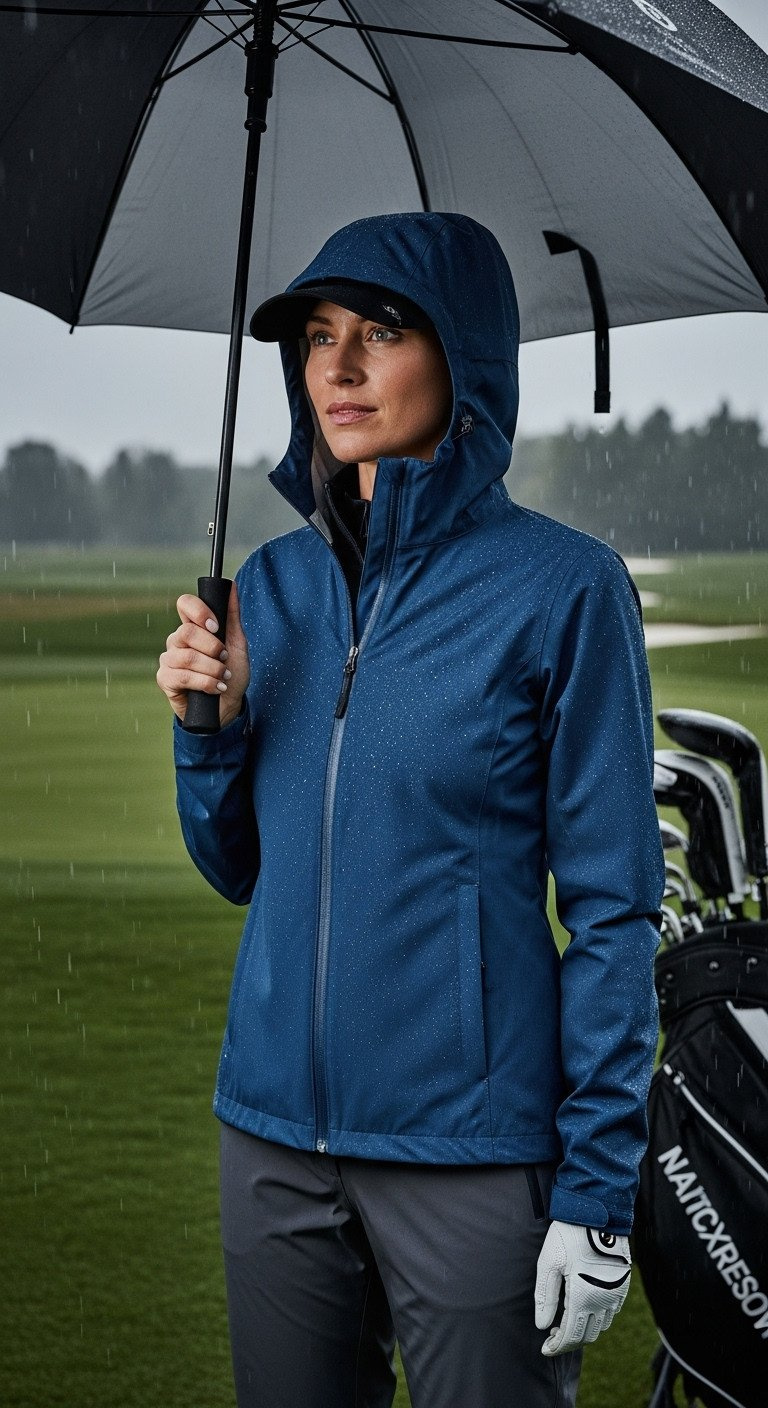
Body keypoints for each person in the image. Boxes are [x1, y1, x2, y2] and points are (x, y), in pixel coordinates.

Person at [156, 211, 665, 1408]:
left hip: (473, 1159)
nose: (335, 367)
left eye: (380, 332)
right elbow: (237, 866)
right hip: (273, 1145)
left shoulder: (566, 588)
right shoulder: (269, 587)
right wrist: (205, 731)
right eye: (317, 336)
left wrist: (595, 1191)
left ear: (467, 358)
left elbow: (613, 910)